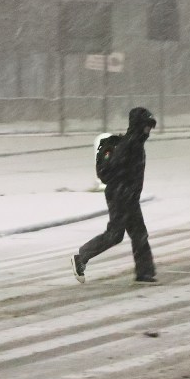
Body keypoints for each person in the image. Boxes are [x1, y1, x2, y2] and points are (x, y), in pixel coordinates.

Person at [71, 107, 158, 284]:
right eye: (146, 126)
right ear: (138, 125)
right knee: (116, 234)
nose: (148, 130)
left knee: (138, 233)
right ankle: (81, 257)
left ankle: (145, 272)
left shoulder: (135, 143)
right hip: (121, 195)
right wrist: (124, 189)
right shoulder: (129, 144)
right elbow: (114, 170)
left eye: (150, 127)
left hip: (128, 195)